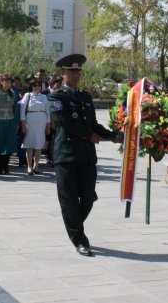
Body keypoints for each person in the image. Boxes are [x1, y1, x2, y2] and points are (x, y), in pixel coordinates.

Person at [48, 54, 121, 256]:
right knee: (70, 200)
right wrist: (89, 135)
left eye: (78, 71)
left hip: (87, 156)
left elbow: (94, 124)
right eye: (71, 72)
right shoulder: (56, 97)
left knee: (88, 197)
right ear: (63, 74)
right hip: (67, 156)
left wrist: (114, 136)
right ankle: (79, 239)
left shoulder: (85, 97)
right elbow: (66, 123)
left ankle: (73, 225)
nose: (76, 75)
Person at [20, 80, 50, 175]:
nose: (37, 87)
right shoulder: (27, 95)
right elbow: (22, 109)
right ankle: (29, 166)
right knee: (29, 144)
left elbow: (48, 112)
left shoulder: (44, 96)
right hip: (30, 120)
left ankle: (36, 166)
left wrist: (48, 125)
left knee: (39, 145)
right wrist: (23, 123)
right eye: (34, 86)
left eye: (38, 86)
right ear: (31, 87)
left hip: (41, 121)